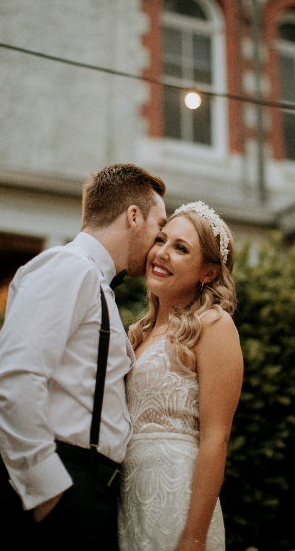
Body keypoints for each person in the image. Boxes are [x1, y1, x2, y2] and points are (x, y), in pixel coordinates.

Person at [0, 163, 167, 551]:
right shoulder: (68, 267)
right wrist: (48, 494)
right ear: (133, 216)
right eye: (159, 227)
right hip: (57, 491)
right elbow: (14, 376)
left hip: (83, 492)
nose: (160, 242)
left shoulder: (96, 283)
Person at [118, 201, 244, 551]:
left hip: (178, 502)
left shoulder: (214, 326)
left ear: (209, 273)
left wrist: (193, 537)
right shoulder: (135, 335)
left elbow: (215, 438)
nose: (161, 253)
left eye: (181, 248)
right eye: (161, 240)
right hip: (127, 498)